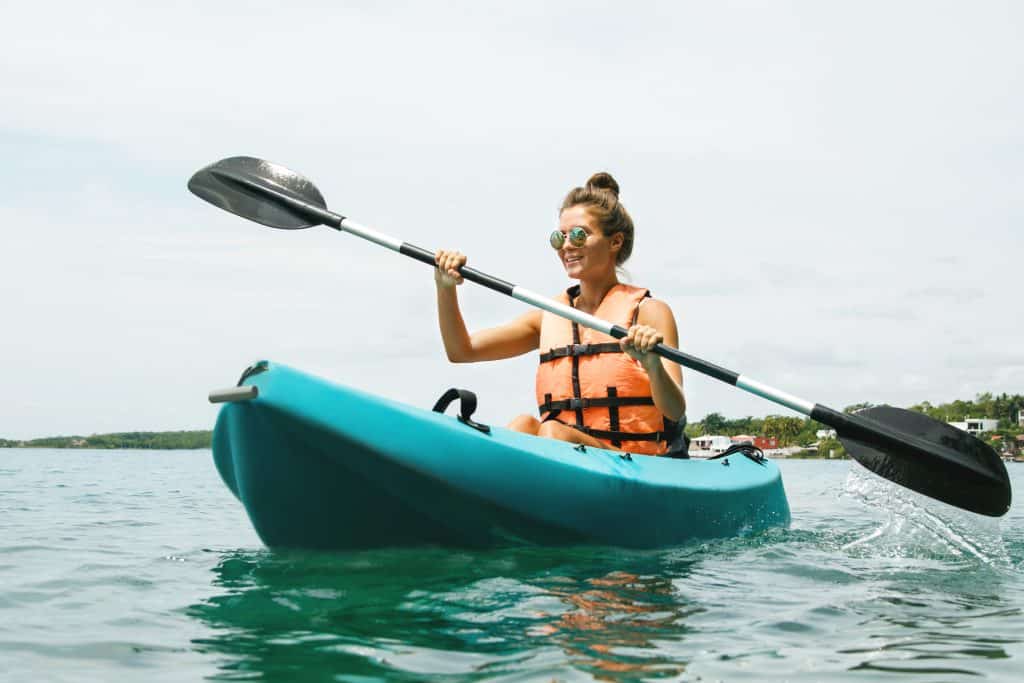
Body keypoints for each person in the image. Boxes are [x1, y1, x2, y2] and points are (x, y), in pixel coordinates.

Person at [434, 172, 686, 456]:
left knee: (552, 431)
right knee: (523, 425)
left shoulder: (649, 312)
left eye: (579, 235)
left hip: (634, 461)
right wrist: (445, 287)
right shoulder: (549, 317)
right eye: (559, 237)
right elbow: (461, 350)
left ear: (615, 242)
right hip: (567, 456)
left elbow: (675, 410)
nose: (566, 246)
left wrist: (652, 364)